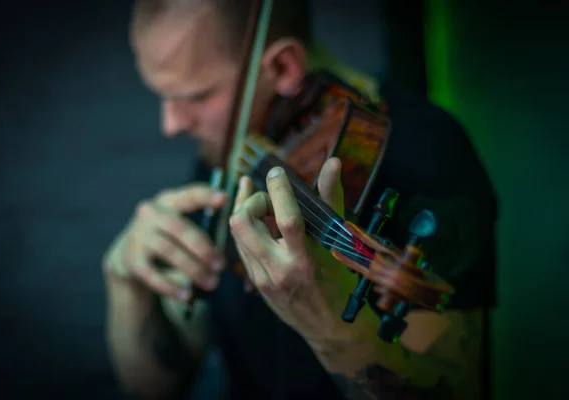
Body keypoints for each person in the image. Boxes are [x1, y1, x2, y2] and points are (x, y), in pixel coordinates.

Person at [102, 0, 498, 399]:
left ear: (283, 67)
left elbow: (456, 390)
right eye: (164, 96)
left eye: (197, 96)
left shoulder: (427, 151)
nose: (171, 124)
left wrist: (334, 334)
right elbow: (154, 389)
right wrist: (126, 286)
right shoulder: (235, 145)